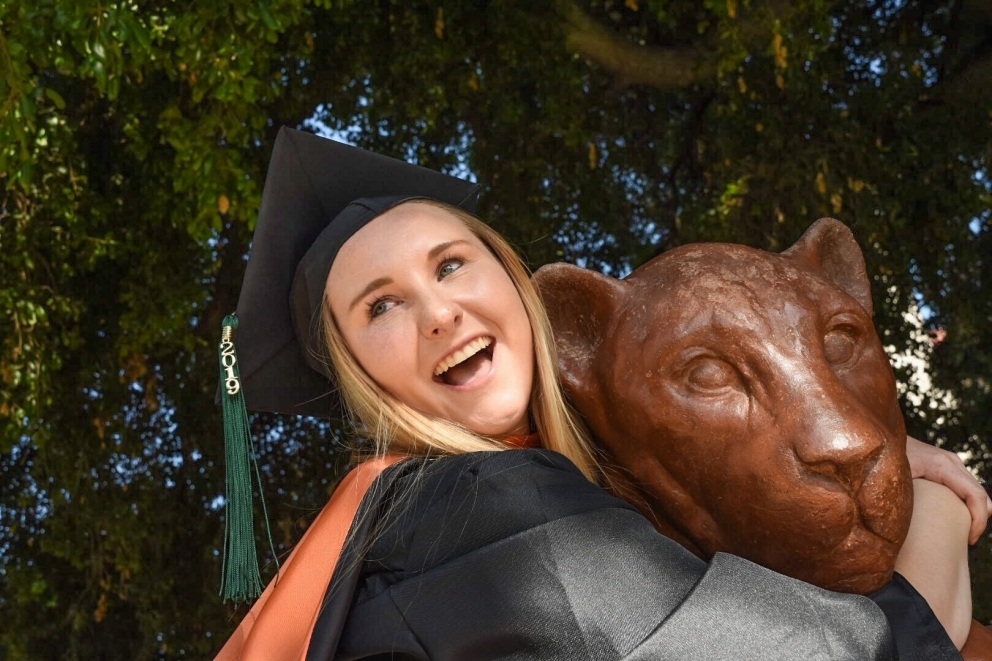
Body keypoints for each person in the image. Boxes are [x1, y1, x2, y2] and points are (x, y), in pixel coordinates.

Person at [216, 127, 988, 660]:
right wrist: (938, 515)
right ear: (360, 374)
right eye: (380, 306)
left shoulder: (477, 505)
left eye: (450, 263)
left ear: (513, 283)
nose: (439, 310)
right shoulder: (478, 505)